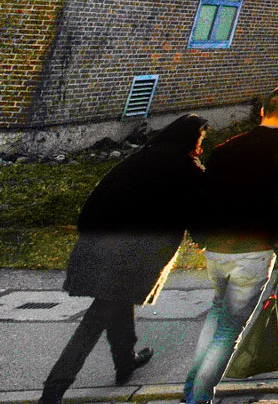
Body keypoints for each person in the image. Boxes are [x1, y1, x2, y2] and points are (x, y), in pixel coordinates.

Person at [40, 115, 210, 404]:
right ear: (191, 140)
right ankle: (53, 390)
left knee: (114, 303)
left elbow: (96, 199)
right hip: (133, 255)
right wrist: (206, 242)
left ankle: (125, 361)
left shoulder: (138, 160)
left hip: (97, 245)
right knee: (95, 320)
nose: (201, 147)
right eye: (200, 141)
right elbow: (197, 216)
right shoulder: (186, 171)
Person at [184, 87, 278, 404]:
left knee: (216, 315)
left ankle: (191, 388)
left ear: (261, 110)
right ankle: (199, 398)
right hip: (253, 252)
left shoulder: (225, 149)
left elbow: (203, 197)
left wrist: (201, 237)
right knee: (229, 330)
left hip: (218, 249)